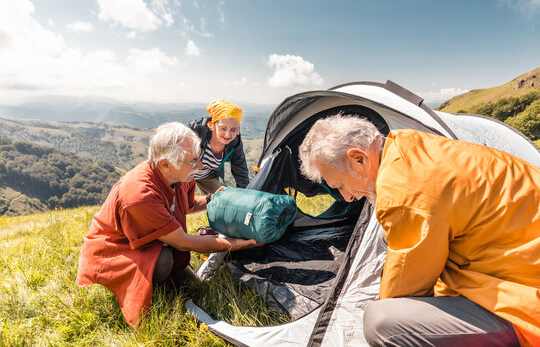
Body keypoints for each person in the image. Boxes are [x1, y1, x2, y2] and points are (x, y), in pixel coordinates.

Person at [298, 114, 539, 347]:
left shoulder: (403, 191)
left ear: (358, 158)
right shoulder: (407, 144)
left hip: (526, 304)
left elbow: (403, 291)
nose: (347, 197)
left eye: (340, 185)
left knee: (381, 322)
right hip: (519, 263)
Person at [76, 122, 259, 328]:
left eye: (198, 158)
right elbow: (183, 242)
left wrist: (211, 199)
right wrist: (232, 244)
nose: (199, 167)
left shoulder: (180, 173)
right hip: (116, 251)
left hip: (155, 239)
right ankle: (152, 292)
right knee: (163, 261)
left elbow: (187, 205)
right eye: (193, 161)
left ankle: (168, 277)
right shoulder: (139, 195)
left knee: (193, 288)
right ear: (165, 164)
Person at [188, 99, 249, 194]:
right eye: (223, 128)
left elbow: (241, 173)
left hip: (207, 175)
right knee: (178, 204)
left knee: (221, 199)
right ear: (212, 125)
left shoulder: (235, 144)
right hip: (184, 173)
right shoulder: (194, 130)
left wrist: (245, 196)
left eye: (233, 129)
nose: (228, 135)